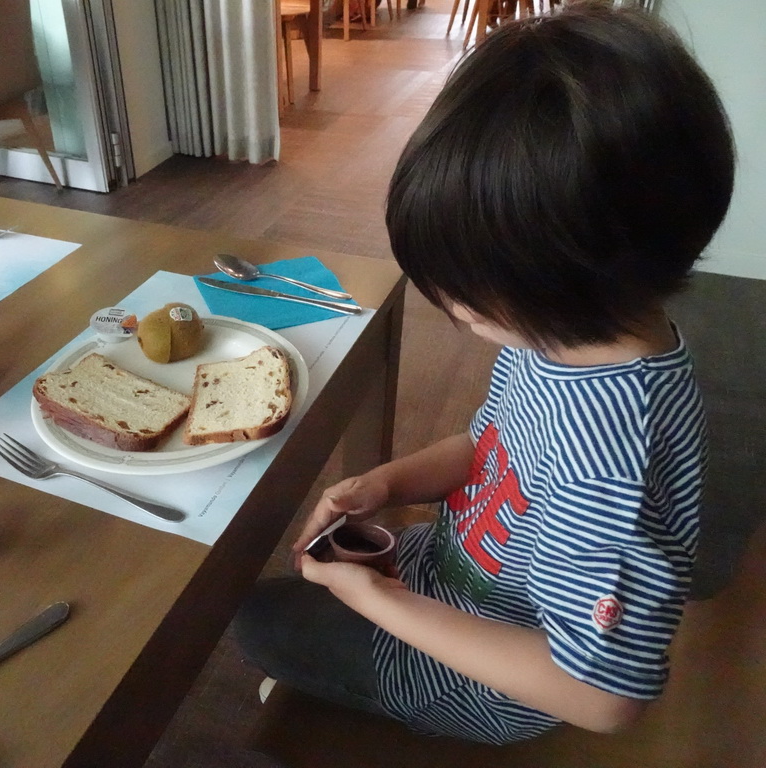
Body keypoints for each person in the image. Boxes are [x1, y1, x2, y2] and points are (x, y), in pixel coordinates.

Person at [235, 2, 735, 746]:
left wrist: (377, 602)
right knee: (297, 586)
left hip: (480, 683)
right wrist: (389, 484)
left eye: (468, 289)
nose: (450, 305)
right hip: (442, 572)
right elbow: (489, 447)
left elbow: (600, 696)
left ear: (564, 273)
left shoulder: (611, 463)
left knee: (251, 620)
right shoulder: (568, 337)